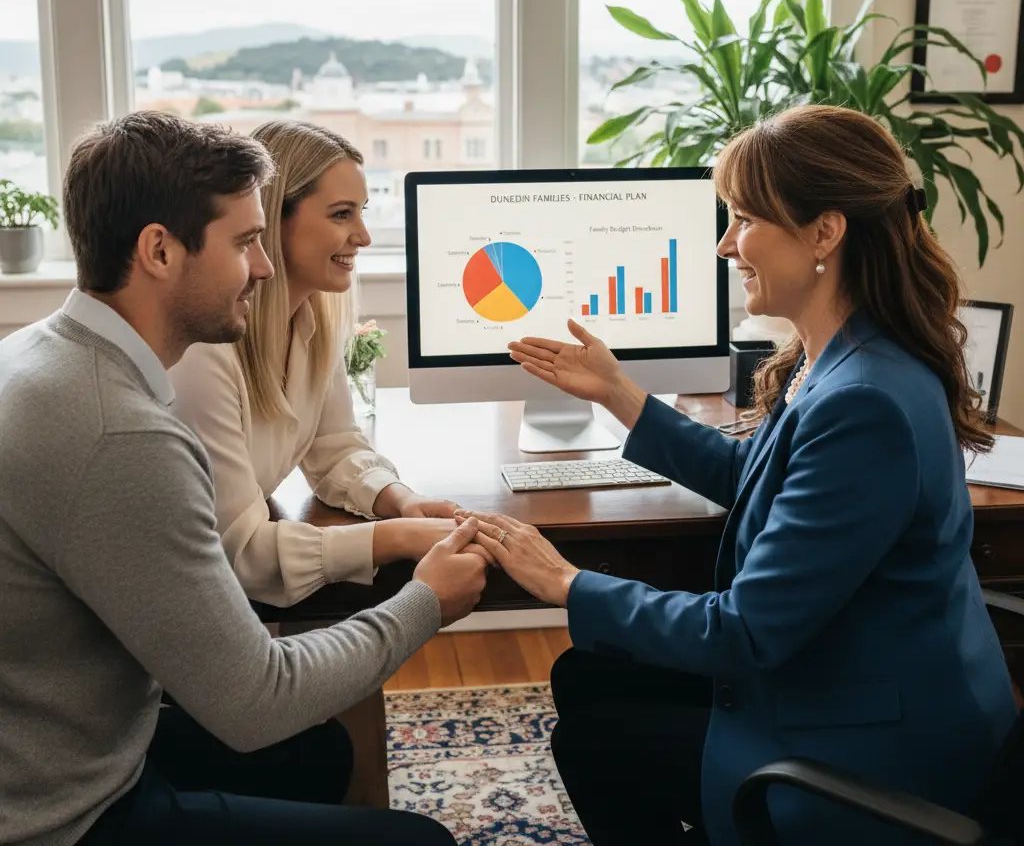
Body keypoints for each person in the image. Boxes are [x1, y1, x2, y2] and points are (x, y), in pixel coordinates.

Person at [456, 105, 1019, 846]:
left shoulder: (864, 403)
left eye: (744, 219)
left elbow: (745, 634)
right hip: (847, 672)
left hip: (874, 742)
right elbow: (762, 473)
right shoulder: (843, 356)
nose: (726, 245)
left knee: (592, 740)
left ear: (825, 232)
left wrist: (565, 582)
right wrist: (620, 394)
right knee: (587, 675)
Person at [0, 112, 485, 846]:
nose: (261, 268)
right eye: (244, 243)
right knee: (423, 841)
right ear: (159, 250)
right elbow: (255, 699)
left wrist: (396, 506)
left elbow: (333, 447)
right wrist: (424, 603)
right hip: (65, 813)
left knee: (319, 755)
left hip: (72, 744)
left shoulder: (46, 354)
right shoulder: (122, 434)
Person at [170, 120, 469, 607]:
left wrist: (402, 502)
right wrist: (397, 538)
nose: (364, 236)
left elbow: (334, 446)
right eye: (341, 214)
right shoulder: (204, 354)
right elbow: (238, 554)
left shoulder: (312, 319)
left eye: (362, 213)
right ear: (271, 218)